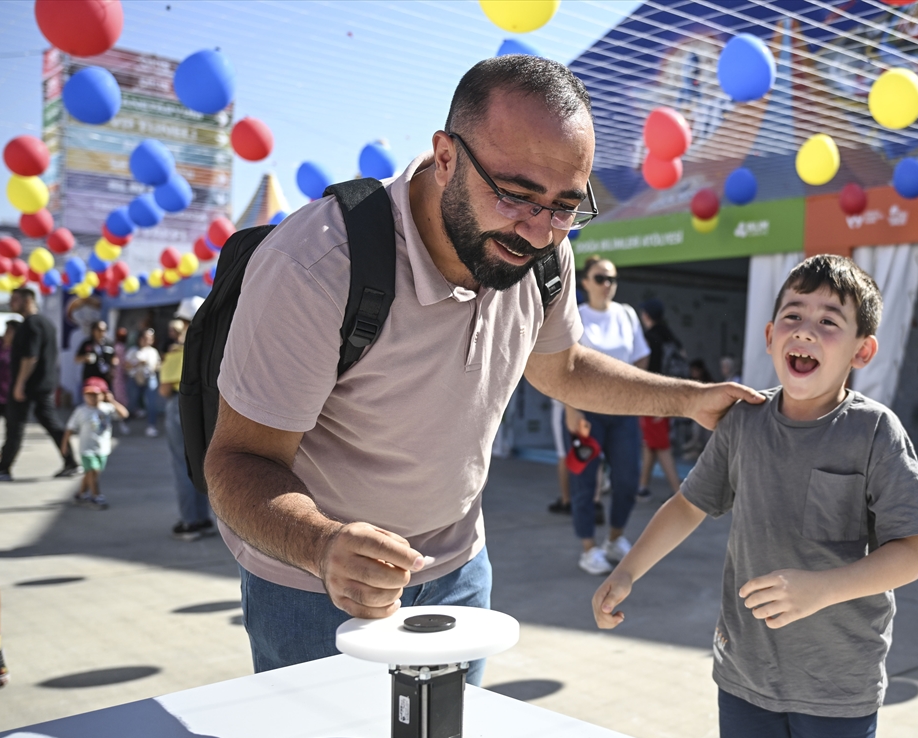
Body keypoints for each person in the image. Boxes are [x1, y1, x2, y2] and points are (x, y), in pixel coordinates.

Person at [202, 56, 760, 679]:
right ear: (445, 157)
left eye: (565, 206)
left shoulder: (544, 255)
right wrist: (322, 545)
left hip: (459, 571)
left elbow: (564, 369)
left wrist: (690, 399)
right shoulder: (318, 264)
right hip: (315, 589)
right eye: (515, 195)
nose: (539, 231)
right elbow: (237, 462)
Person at [592, 254, 918, 738]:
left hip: (837, 684)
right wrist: (627, 571)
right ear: (769, 335)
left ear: (862, 351)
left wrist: (820, 588)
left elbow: (911, 554)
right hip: (744, 676)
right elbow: (688, 505)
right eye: (793, 315)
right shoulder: (744, 421)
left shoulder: (875, 431)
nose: (806, 331)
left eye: (829, 321)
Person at [565, 255, 651, 575]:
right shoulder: (575, 316)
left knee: (628, 479)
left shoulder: (626, 314)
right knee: (586, 481)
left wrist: (635, 389)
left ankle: (614, 538)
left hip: (623, 408)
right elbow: (563, 366)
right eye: (600, 278)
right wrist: (570, 409)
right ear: (586, 282)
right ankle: (589, 548)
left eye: (612, 279)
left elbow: (641, 356)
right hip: (587, 410)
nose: (607, 285)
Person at [0, 287, 81, 481]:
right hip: (42, 384)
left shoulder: (31, 324)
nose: (11, 303)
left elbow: (30, 357)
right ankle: (71, 462)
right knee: (50, 423)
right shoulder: (46, 323)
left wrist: (19, 383)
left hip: (30, 385)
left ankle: (3, 468)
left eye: (15, 299)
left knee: (15, 425)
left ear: (27, 301)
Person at [159, 303, 215, 540]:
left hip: (180, 405)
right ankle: (204, 518)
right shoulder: (214, 348)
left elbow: (164, 390)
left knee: (182, 464)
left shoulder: (178, 353)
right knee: (202, 463)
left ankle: (190, 522)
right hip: (209, 406)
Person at [637, 297, 683, 500]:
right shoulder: (671, 337)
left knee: (661, 446)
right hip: (670, 394)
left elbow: (643, 369)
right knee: (651, 442)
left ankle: (679, 492)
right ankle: (643, 487)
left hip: (652, 397)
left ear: (646, 315)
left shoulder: (648, 338)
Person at [62, 376, 128, 509]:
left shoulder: (107, 408)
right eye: (89, 395)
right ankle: (96, 496)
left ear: (103, 395)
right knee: (93, 470)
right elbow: (70, 429)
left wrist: (112, 401)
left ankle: (80, 494)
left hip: (102, 449)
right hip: (87, 449)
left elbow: (124, 414)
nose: (92, 398)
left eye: (96, 395)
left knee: (91, 474)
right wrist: (64, 445)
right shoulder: (81, 411)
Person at [125, 328, 161, 437]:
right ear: (140, 338)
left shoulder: (153, 351)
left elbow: (158, 365)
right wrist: (138, 364)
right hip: (134, 378)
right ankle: (125, 422)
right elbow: (125, 365)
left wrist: (155, 366)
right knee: (132, 402)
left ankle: (151, 426)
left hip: (150, 378)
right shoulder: (133, 350)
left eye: (150, 338)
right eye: (145, 338)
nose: (147, 340)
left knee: (151, 403)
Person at [75, 320, 117, 384]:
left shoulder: (109, 343)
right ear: (93, 331)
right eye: (99, 330)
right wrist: (85, 358)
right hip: (90, 378)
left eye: (104, 330)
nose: (102, 333)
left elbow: (114, 357)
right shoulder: (87, 343)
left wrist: (114, 365)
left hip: (105, 378)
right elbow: (76, 359)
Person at [0, 320, 20, 435]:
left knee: (11, 427)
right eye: (7, 329)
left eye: (10, 330)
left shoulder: (17, 350)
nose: (7, 332)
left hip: (10, 394)